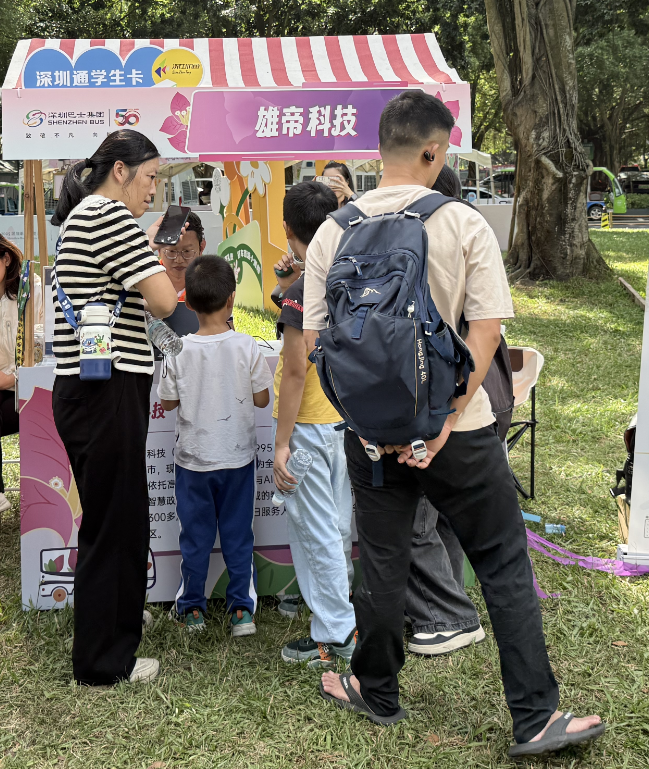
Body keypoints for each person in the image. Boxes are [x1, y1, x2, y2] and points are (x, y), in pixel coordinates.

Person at [303, 91, 604, 757]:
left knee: (381, 559)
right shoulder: (462, 222)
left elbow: (319, 346)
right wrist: (438, 422)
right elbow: (485, 333)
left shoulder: (332, 231)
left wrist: (368, 424)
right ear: (433, 152)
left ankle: (375, 689)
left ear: (379, 151)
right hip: (460, 431)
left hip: (369, 435)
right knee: (500, 559)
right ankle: (534, 717)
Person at [50, 129, 178, 685]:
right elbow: (165, 300)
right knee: (115, 522)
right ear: (120, 171)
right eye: (150, 177)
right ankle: (104, 662)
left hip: (91, 389)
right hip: (107, 390)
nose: (154, 190)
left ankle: (115, 628)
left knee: (115, 516)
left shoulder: (86, 216)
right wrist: (152, 257)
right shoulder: (108, 215)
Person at [158, 255, 272, 636]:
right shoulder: (246, 346)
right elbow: (262, 399)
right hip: (238, 460)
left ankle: (192, 609)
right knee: (239, 536)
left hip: (193, 462)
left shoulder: (177, 349)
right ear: (232, 299)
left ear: (187, 302)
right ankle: (241, 613)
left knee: (195, 538)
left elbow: (168, 402)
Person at [270, 181, 357, 667]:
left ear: (287, 228)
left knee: (318, 531)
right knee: (336, 527)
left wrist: (281, 443)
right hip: (346, 422)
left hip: (306, 427)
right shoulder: (347, 275)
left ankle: (336, 635)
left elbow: (295, 370)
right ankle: (340, 617)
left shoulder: (304, 292)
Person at [403, 163, 486, 656]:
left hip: (440, 409)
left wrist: (448, 416)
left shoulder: (426, 244)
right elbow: (488, 330)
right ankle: (451, 597)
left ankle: (448, 615)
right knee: (446, 515)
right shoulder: (471, 236)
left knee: (417, 522)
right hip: (474, 406)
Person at [152, 211, 206, 338]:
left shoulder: (211, 282)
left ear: (201, 248)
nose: (179, 260)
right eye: (171, 251)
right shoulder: (144, 280)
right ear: (159, 249)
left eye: (187, 251)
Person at [0, 235, 22, 514]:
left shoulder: (30, 291)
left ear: (6, 259)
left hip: (27, 391)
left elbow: (42, 346)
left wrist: (12, 377)